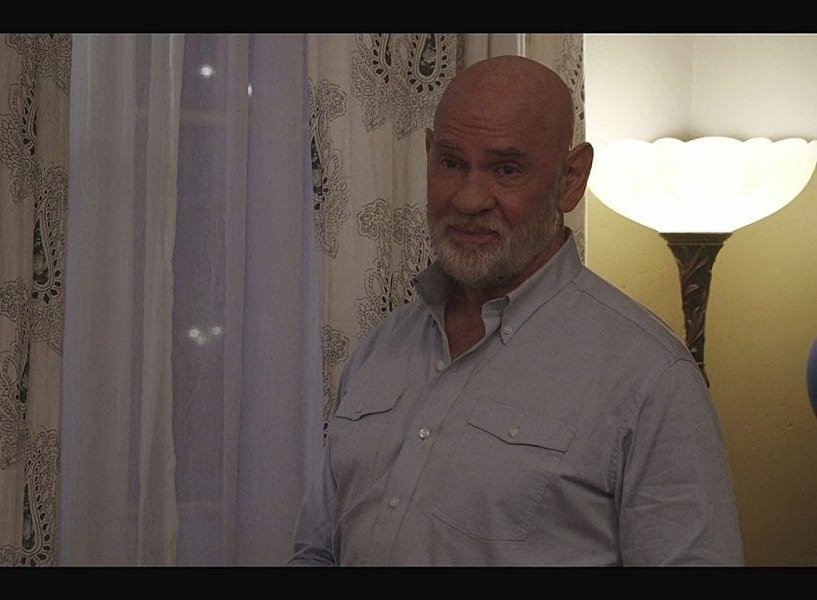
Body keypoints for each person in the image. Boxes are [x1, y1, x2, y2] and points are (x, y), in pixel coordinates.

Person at [289, 55, 745, 566]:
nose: (469, 199)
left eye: (506, 169)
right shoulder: (381, 347)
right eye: (451, 162)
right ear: (428, 154)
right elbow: (317, 550)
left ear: (571, 179)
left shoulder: (650, 377)